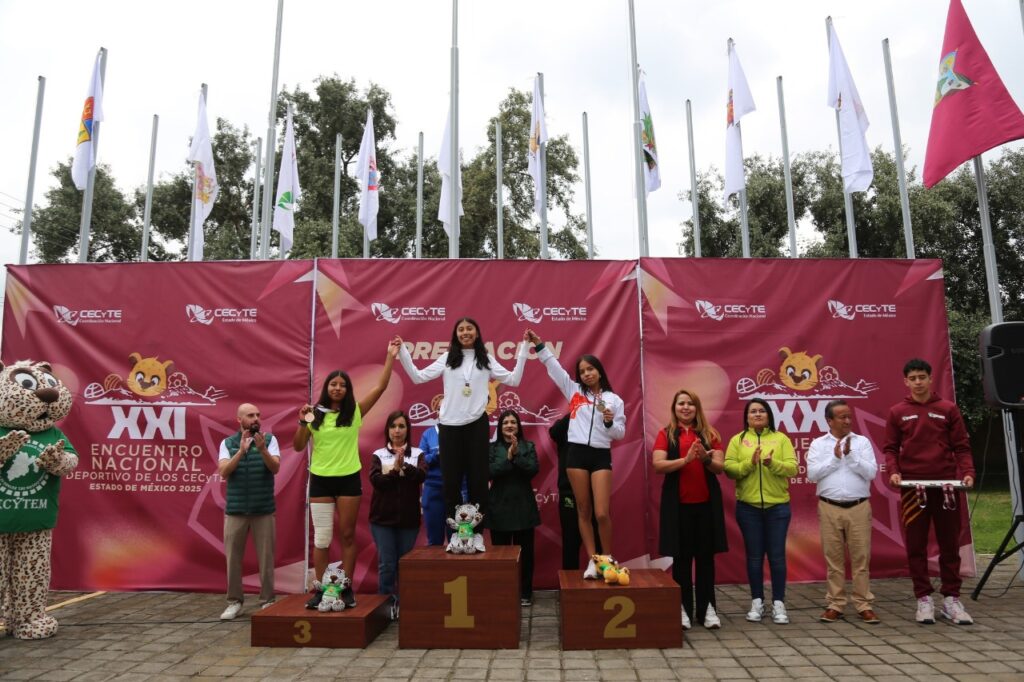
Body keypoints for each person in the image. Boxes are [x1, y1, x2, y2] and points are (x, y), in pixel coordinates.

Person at [294, 340, 400, 609]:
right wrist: (302, 422)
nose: (337, 388)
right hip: (320, 480)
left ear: (348, 390)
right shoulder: (314, 415)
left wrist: (390, 356)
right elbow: (297, 445)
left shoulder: (354, 413)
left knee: (348, 536)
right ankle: (322, 590)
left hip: (348, 480)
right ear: (327, 388)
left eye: (342, 385)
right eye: (333, 384)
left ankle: (346, 587)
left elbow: (380, 387)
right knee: (322, 539)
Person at [394, 319, 528, 529]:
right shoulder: (447, 358)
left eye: (469, 329)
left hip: (477, 425)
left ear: (477, 333)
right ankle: (458, 533)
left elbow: (514, 379)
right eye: (461, 329)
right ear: (456, 334)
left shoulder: (486, 360)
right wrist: (403, 351)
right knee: (451, 482)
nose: (465, 332)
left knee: (478, 481)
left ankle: (476, 533)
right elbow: (418, 377)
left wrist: (524, 348)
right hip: (449, 426)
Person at [883, 358, 975, 625]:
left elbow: (961, 447)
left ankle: (951, 599)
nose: (918, 382)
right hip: (914, 488)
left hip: (946, 487)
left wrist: (967, 472)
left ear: (930, 378)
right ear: (906, 382)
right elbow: (890, 448)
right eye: (913, 378)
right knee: (916, 546)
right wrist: (894, 472)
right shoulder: (897, 412)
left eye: (922, 377)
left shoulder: (948, 409)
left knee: (949, 545)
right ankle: (923, 599)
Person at [526, 330, 625, 579]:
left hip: (600, 455)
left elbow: (620, 433)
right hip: (576, 455)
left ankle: (607, 559)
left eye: (590, 369)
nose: (587, 374)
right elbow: (555, 369)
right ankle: (594, 561)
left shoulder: (614, 400)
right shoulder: (574, 392)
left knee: (601, 513)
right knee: (583, 510)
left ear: (599, 371)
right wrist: (540, 345)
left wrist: (610, 422)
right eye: (582, 371)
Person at [652, 389, 727, 630]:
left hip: (706, 507)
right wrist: (684, 461)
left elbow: (719, 467)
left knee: (705, 560)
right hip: (678, 509)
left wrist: (705, 458)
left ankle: (707, 610)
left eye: (690, 404)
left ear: (697, 408)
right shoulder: (666, 434)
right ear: (674, 408)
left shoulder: (710, 434)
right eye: (681, 403)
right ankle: (682, 608)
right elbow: (658, 464)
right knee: (681, 561)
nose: (685, 407)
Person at [724, 398, 797, 624]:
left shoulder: (781, 438)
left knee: (777, 557)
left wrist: (771, 464)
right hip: (749, 509)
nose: (757, 414)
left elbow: (792, 468)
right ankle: (757, 601)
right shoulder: (737, 440)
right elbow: (729, 469)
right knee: (754, 558)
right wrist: (750, 464)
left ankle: (778, 603)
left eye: (762, 411)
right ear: (746, 417)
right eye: (753, 411)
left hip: (778, 508)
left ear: (769, 415)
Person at [806, 400, 880, 624]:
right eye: (842, 417)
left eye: (849, 416)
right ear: (829, 421)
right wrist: (835, 458)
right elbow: (812, 474)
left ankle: (863, 604)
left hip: (859, 507)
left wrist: (851, 456)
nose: (847, 421)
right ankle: (835, 604)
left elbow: (871, 473)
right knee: (834, 560)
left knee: (861, 559)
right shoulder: (818, 444)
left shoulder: (862, 442)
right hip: (829, 507)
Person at [218, 403, 281, 620]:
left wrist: (262, 449)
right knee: (233, 559)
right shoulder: (227, 443)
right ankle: (234, 602)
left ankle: (268, 601)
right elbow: (224, 471)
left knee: (266, 559)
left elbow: (275, 468)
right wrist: (241, 451)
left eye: (258, 415)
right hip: (235, 511)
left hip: (263, 510)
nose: (256, 419)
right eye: (250, 415)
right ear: (239, 420)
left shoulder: (270, 441)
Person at [369, 411, 427, 620]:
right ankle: (385, 606)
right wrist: (395, 470)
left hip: (408, 520)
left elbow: (421, 476)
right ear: (387, 430)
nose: (397, 430)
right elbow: (377, 482)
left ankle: (404, 604)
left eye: (401, 426)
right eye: (393, 426)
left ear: (407, 430)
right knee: (386, 565)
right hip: (382, 520)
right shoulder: (378, 454)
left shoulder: (418, 454)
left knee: (404, 565)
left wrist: (405, 466)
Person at [488, 410, 541, 606]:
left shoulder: (528, 446)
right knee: (500, 557)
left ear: (519, 426)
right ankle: (502, 593)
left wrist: (516, 455)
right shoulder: (492, 448)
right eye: (505, 422)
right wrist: (508, 458)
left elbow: (533, 470)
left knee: (526, 556)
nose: (509, 425)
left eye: (513, 422)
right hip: (499, 508)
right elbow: (489, 472)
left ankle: (525, 593)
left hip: (523, 508)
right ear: (500, 426)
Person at [548, 416, 601, 569]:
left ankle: (600, 576)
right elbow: (554, 432)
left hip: (594, 492)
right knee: (570, 542)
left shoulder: (596, 426)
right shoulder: (566, 426)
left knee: (598, 542)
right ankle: (569, 581)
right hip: (569, 493)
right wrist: (575, 410)